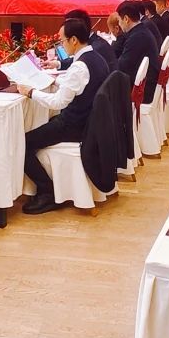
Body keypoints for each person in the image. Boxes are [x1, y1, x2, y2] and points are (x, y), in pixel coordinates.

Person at [17, 19, 110, 215]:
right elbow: (79, 85)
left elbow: (58, 103)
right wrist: (56, 81)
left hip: (75, 125)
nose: (62, 44)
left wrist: (31, 92)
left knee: (23, 143)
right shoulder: (96, 57)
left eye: (62, 40)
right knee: (43, 126)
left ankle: (47, 192)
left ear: (74, 40)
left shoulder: (80, 67)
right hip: (89, 121)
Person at [114, 0, 159, 105]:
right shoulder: (140, 30)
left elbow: (122, 66)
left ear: (126, 19)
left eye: (119, 20)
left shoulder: (138, 37)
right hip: (146, 83)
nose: (119, 24)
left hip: (144, 89)